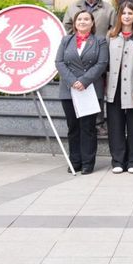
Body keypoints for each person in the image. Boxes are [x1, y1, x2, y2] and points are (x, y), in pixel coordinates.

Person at [55, 9, 108, 175]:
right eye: (79, 19)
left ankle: (87, 163)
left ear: (92, 23)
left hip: (89, 89)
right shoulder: (66, 40)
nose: (83, 22)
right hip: (69, 90)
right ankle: (75, 161)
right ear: (75, 23)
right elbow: (59, 62)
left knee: (88, 127)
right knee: (73, 127)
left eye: (86, 19)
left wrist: (84, 81)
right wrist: (73, 81)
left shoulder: (100, 41)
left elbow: (102, 63)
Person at [105, 2, 133, 174]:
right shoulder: (111, 36)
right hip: (114, 88)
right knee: (115, 126)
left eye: (130, 13)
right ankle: (118, 160)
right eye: (124, 13)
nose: (127, 16)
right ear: (119, 16)